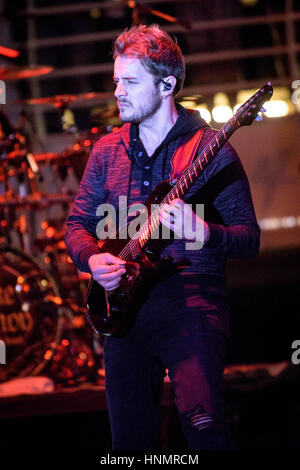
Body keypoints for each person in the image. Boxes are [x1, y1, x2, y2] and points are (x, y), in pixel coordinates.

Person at [64, 24, 260, 450]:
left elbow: (249, 239)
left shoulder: (211, 150)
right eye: (116, 81)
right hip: (122, 311)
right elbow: (77, 226)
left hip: (191, 301)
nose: (117, 92)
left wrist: (204, 233)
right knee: (130, 443)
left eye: (131, 82)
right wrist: (93, 261)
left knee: (205, 427)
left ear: (167, 84)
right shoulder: (106, 151)